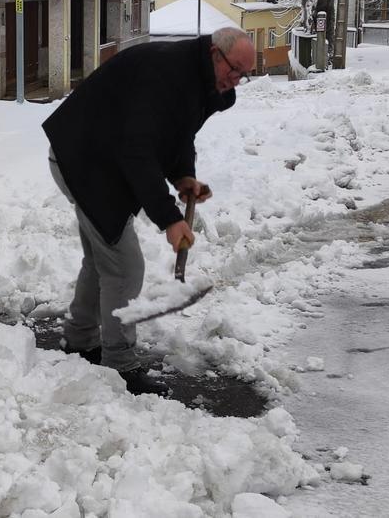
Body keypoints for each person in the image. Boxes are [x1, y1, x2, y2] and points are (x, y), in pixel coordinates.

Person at [42, 26, 253, 395]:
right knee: (124, 265)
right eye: (234, 69)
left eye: (244, 75)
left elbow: (177, 134)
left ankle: (80, 338)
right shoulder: (168, 75)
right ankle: (120, 365)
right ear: (214, 54)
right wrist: (170, 219)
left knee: (103, 258)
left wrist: (183, 175)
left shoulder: (200, 81)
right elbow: (137, 151)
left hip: (103, 157)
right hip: (84, 160)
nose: (235, 81)